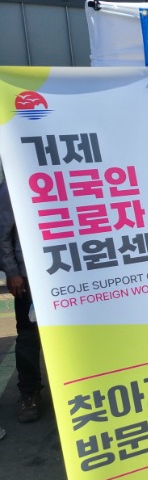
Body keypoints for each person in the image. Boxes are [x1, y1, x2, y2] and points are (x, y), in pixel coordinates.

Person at [0, 181, 44, 423]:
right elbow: (3, 231)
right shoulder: (16, 180)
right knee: (29, 336)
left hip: (71, 273)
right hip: (30, 278)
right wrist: (12, 271)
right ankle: (30, 394)